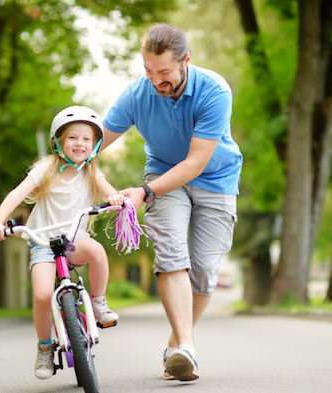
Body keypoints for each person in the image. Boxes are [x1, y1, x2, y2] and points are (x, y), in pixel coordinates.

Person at [101, 23, 242, 382]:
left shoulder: (214, 90)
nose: (155, 81)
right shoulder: (138, 94)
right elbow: (96, 140)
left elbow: (196, 163)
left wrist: (143, 193)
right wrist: (62, 156)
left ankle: (177, 344)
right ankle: (187, 350)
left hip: (215, 178)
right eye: (148, 70)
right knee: (171, 254)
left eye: (164, 72)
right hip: (163, 178)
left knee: (206, 271)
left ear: (186, 61)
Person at [0, 105, 125, 380]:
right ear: (59, 141)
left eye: (87, 139)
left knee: (97, 251)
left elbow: (111, 193)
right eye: (73, 137)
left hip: (75, 240)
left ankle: (98, 303)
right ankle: (45, 348)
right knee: (41, 295)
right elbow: (16, 194)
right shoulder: (45, 168)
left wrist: (116, 199)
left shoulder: (91, 171)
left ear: (95, 144)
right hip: (43, 243)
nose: (80, 143)